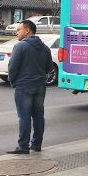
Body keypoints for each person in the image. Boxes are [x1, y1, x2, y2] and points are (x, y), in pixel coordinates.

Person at [7, 19, 53, 154]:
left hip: (24, 86)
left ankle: (23, 146)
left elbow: (12, 67)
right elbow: (49, 68)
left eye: (18, 30)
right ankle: (36, 144)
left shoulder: (20, 46)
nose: (16, 33)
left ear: (27, 30)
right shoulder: (45, 48)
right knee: (38, 115)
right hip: (40, 86)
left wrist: (12, 81)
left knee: (24, 116)